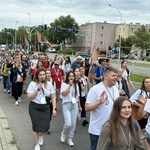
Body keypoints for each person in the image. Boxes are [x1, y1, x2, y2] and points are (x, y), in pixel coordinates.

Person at [85, 67, 119, 150]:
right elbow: (87, 108)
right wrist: (99, 103)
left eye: (116, 76)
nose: (116, 77)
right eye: (113, 75)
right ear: (106, 76)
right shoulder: (95, 89)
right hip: (97, 130)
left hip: (112, 129)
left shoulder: (116, 89)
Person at [27, 68, 57, 150]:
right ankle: (37, 144)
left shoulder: (49, 84)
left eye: (44, 75)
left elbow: (53, 97)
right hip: (34, 107)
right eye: (40, 75)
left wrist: (54, 109)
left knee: (46, 127)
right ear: (37, 76)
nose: (42, 76)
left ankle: (40, 135)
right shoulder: (33, 84)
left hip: (45, 107)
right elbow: (29, 97)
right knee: (36, 126)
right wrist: (37, 89)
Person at [60, 70, 81, 147]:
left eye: (72, 76)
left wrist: (79, 106)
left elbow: (77, 96)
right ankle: (64, 133)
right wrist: (69, 85)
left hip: (74, 105)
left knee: (73, 124)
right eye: (70, 76)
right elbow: (64, 94)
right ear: (67, 77)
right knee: (68, 123)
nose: (71, 77)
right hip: (66, 104)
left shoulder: (76, 85)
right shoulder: (64, 84)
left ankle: (70, 139)